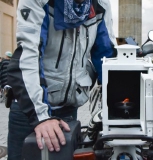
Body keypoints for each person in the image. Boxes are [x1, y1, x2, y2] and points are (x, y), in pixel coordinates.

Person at [7, 0, 116, 159]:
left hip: (68, 108)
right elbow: (28, 58)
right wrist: (41, 117)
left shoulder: (100, 4)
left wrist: (121, 107)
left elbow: (107, 58)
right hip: (30, 108)